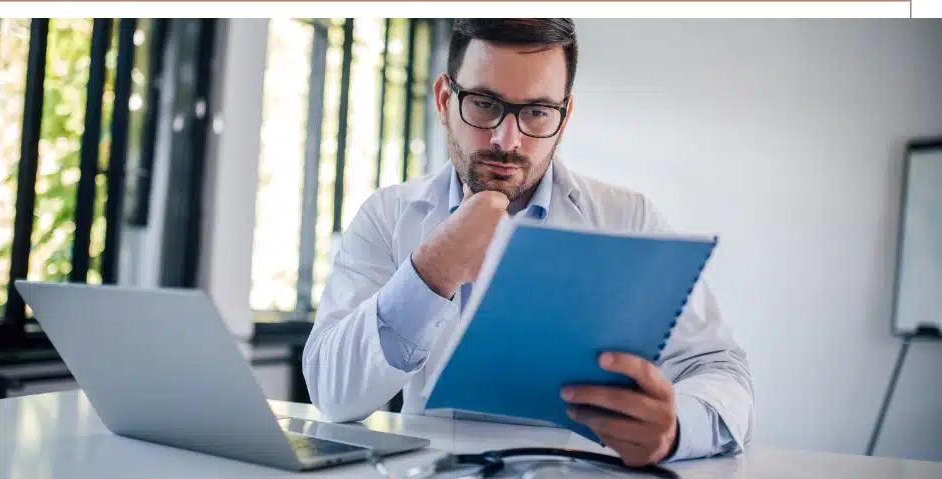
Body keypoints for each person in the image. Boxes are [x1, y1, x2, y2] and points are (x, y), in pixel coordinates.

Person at [303, 18, 754, 466]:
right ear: (444, 100)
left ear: (563, 118)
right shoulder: (388, 215)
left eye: (536, 111)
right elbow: (331, 393)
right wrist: (431, 273)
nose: (507, 139)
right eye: (484, 104)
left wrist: (674, 430)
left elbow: (722, 373)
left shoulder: (628, 219)